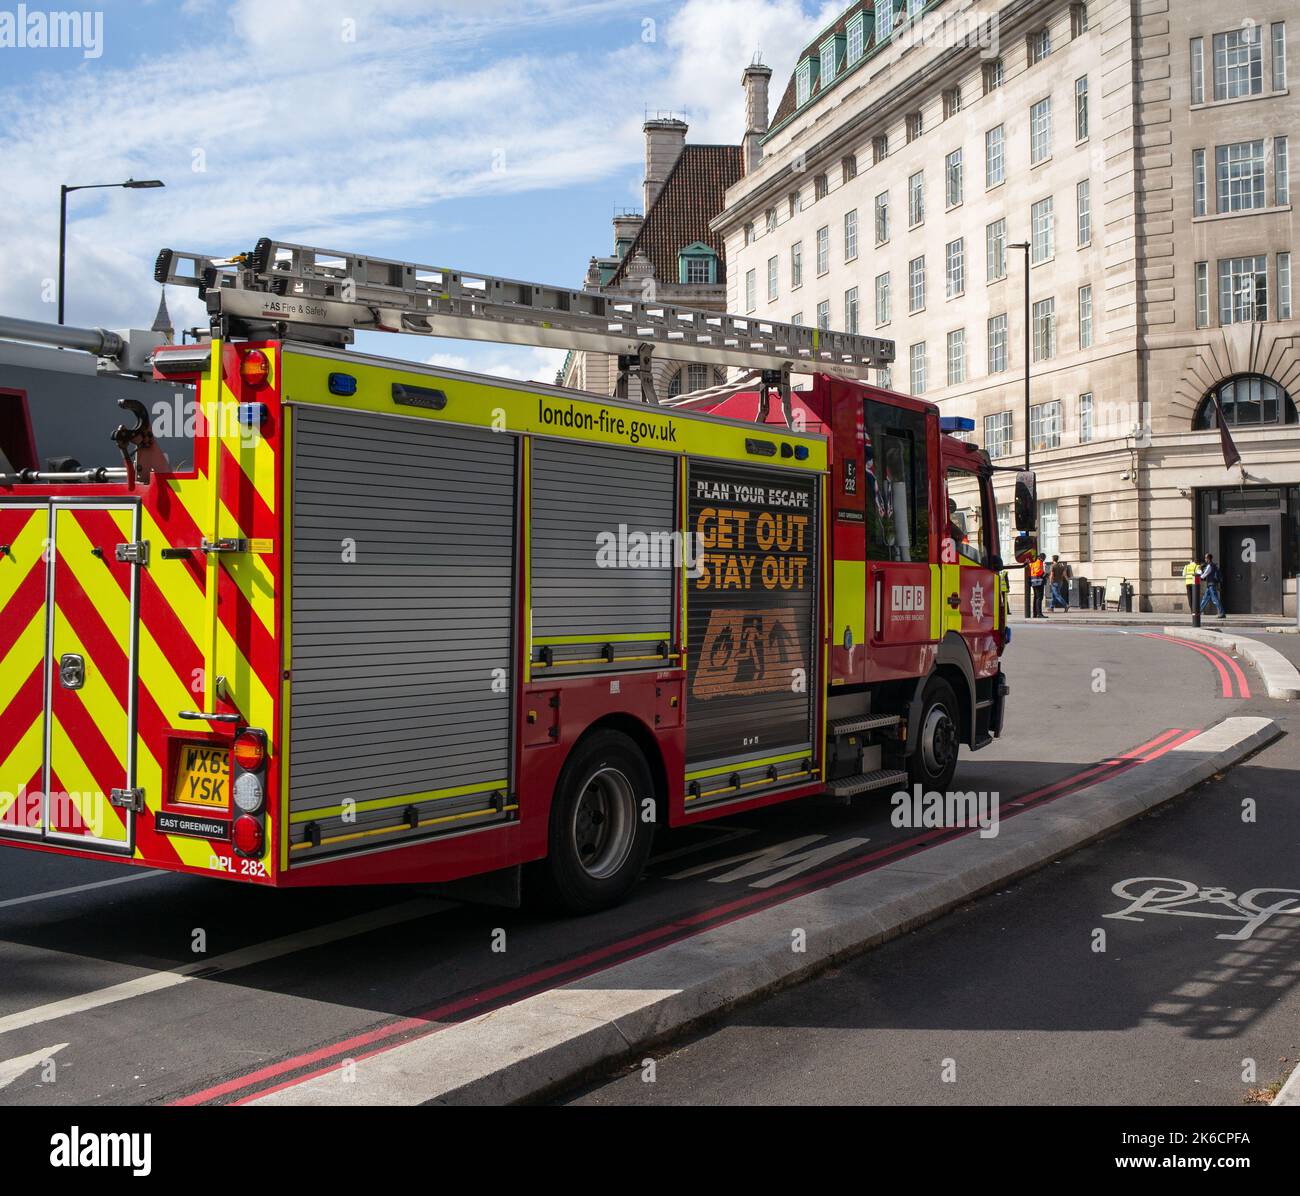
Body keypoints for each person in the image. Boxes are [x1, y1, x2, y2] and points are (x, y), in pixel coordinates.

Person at [1199, 553, 1226, 619]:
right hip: (1210, 585)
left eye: (1205, 558)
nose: (1205, 559)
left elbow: (1204, 575)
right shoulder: (1212, 565)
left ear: (1208, 558)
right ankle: (1199, 611)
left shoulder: (1209, 566)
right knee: (1205, 598)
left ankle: (1221, 613)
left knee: (1215, 599)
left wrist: (1198, 575)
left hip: (1211, 585)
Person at [1028, 552, 1047, 618]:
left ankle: (1035, 614)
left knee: (1036, 598)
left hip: (1034, 581)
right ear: (1043, 557)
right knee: (1039, 598)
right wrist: (1044, 574)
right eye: (1044, 558)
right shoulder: (1038, 562)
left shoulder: (1034, 561)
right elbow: (1038, 571)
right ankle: (1039, 614)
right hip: (1038, 582)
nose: (1044, 560)